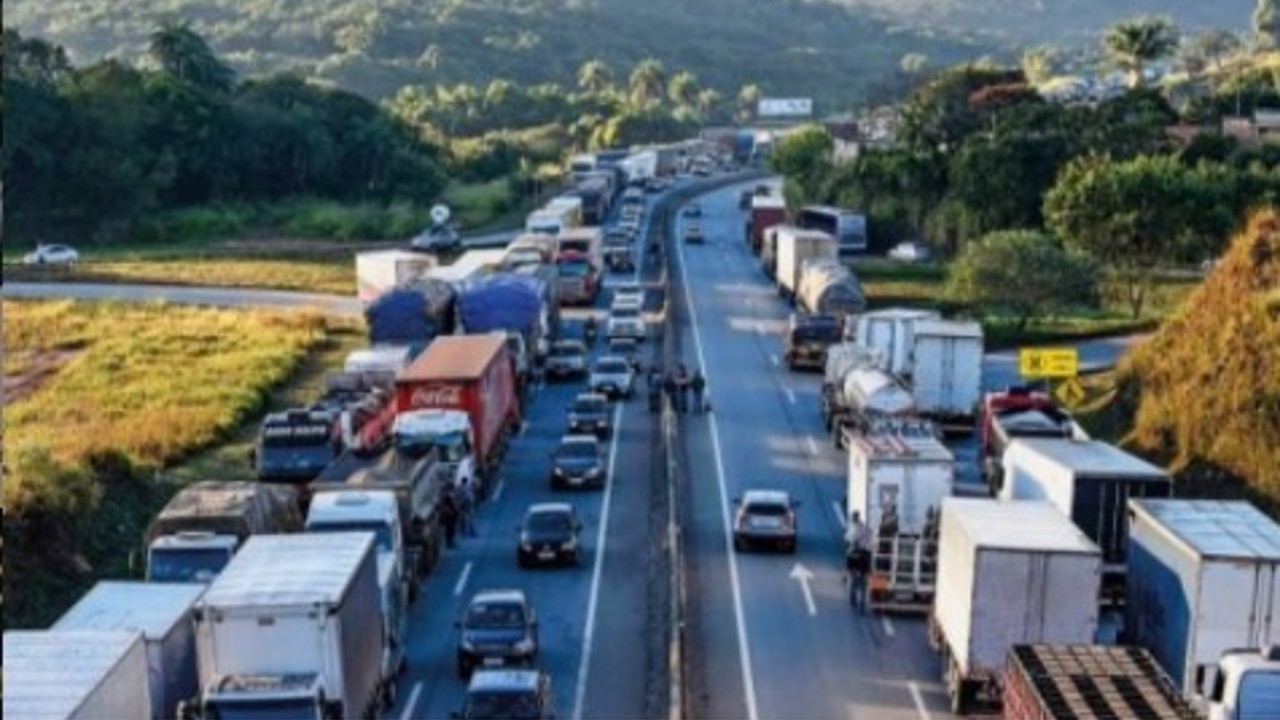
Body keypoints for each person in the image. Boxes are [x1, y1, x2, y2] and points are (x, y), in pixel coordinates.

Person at [845, 511, 872, 611]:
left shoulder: (852, 528)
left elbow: (848, 539)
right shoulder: (865, 528)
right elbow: (869, 541)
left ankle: (853, 599)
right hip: (864, 556)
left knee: (852, 579)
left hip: (854, 557)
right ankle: (862, 602)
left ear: (853, 518)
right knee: (863, 581)